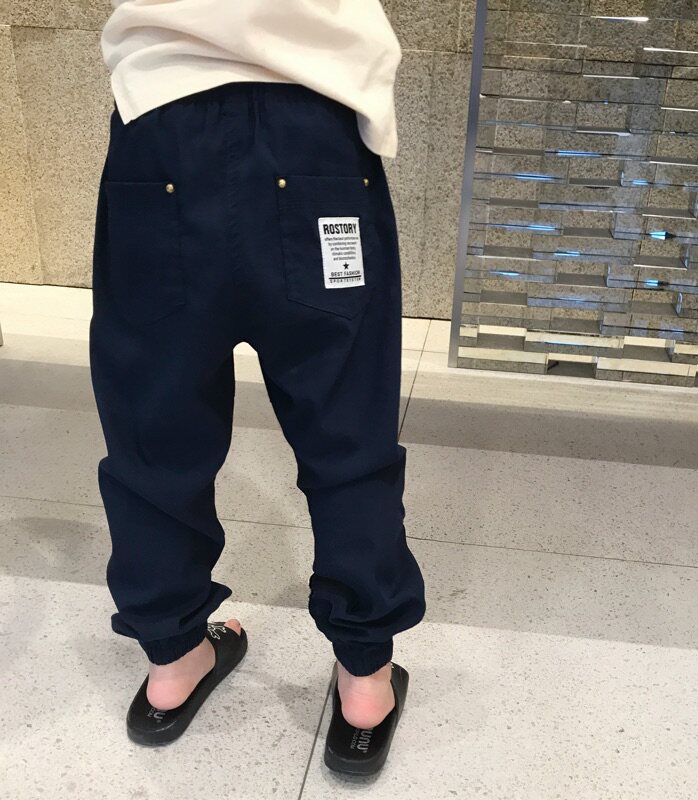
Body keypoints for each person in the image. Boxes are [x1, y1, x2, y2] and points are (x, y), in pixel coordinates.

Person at [89, 0, 426, 774]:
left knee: (153, 430)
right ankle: (365, 683)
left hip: (160, 128)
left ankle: (173, 662)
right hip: (314, 130)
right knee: (348, 433)